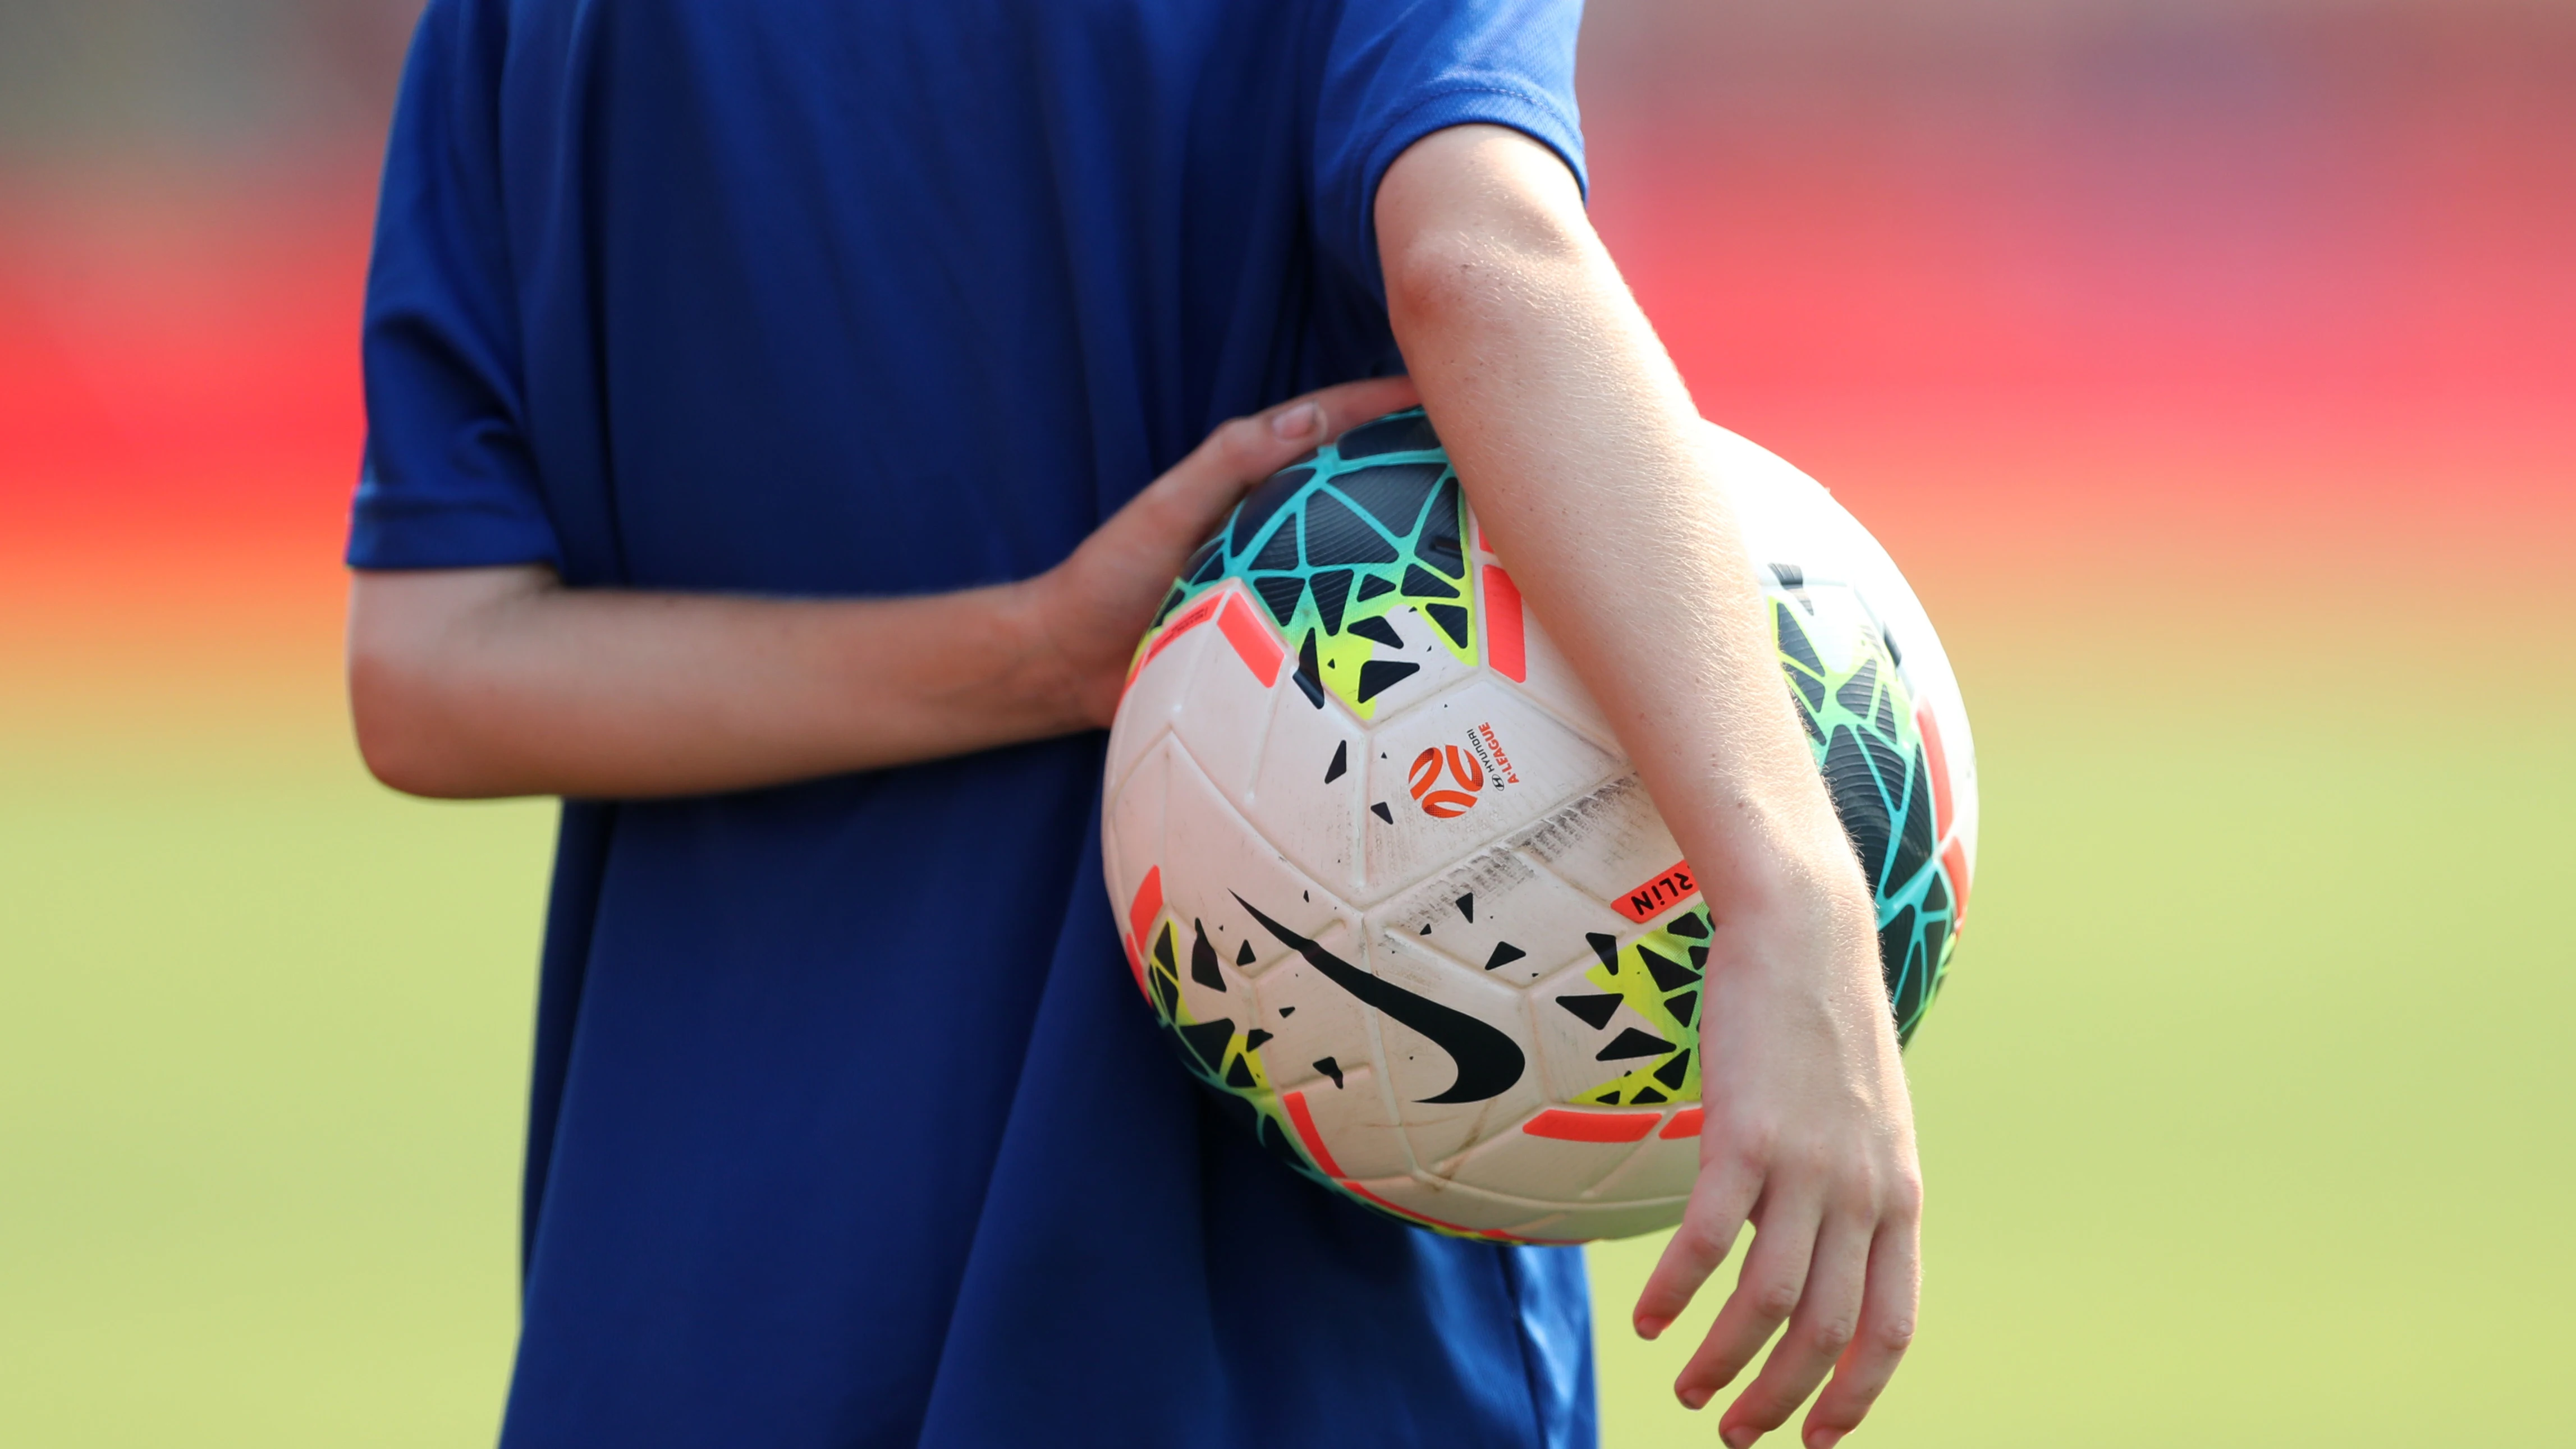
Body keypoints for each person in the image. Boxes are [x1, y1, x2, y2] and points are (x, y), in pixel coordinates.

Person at [345, 2, 1919, 1446]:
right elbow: (1476, 259)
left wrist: (1036, 651)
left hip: (689, 1314)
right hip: (1242, 1345)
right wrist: (1787, 875)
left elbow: (432, 666)